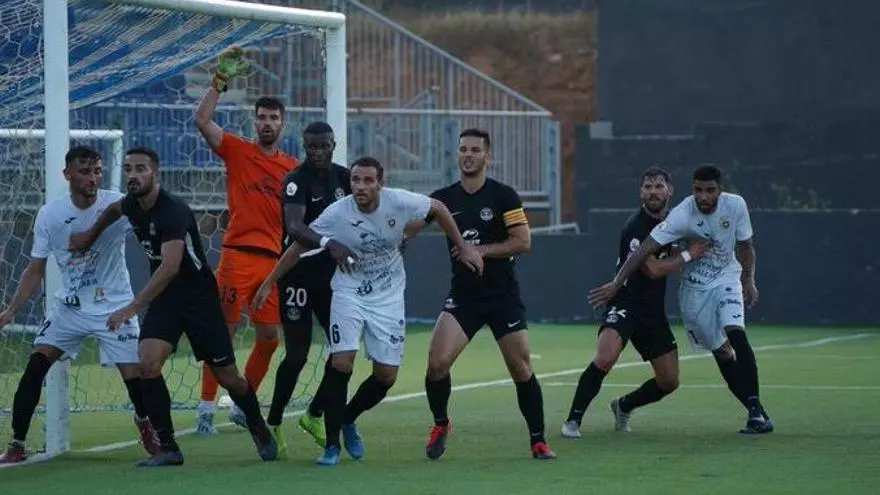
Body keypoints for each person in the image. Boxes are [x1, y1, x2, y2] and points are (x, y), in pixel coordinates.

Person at [252, 156, 483, 466]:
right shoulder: (337, 213)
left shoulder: (398, 201)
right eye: (356, 180)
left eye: (368, 181)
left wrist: (463, 247)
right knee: (341, 362)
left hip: (388, 296)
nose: (360, 186)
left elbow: (439, 208)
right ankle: (331, 446)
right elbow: (298, 247)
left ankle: (348, 418)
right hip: (348, 293)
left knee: (386, 376)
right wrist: (269, 282)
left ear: (380, 183)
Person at [69, 147, 278, 466]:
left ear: (156, 174)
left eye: (141, 169)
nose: (133, 175)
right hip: (166, 300)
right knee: (147, 364)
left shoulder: (173, 211)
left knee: (228, 376)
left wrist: (132, 306)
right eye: (128, 169)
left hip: (198, 300)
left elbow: (169, 267)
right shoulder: (131, 203)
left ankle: (257, 424)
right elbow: (113, 210)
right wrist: (89, 235)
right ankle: (168, 448)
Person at [588, 164, 773, 435]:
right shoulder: (682, 214)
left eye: (710, 190)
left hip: (727, 279)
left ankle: (755, 412)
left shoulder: (735, 205)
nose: (704, 196)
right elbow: (643, 251)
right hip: (695, 290)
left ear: (720, 190)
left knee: (736, 334)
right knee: (721, 351)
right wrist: (617, 282)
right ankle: (624, 405)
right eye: (699, 190)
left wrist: (749, 279)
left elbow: (746, 246)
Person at [0, 146, 158, 464]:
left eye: (97, 171)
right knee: (35, 367)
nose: (93, 178)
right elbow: (35, 269)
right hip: (69, 308)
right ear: (67, 174)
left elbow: (154, 216)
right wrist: (11, 309)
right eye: (85, 172)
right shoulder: (50, 214)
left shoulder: (117, 203)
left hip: (114, 306)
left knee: (135, 376)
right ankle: (16, 444)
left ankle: (146, 424)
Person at [419, 128, 556, 461]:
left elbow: (523, 241)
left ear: (487, 156)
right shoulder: (442, 199)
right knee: (437, 364)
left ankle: (538, 441)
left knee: (521, 367)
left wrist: (479, 250)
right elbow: (411, 225)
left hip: (502, 297)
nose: (468, 155)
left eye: (475, 150)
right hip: (463, 297)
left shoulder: (504, 196)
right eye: (463, 149)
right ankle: (441, 424)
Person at [561, 167, 710, 438]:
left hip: (652, 311)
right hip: (626, 302)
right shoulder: (636, 227)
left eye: (658, 186)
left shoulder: (676, 222)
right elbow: (651, 269)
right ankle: (573, 421)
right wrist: (689, 255)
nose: (653, 192)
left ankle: (624, 405)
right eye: (648, 187)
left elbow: (688, 241)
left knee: (669, 381)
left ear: (669, 190)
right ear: (641, 192)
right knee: (605, 357)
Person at [193, 46, 297, 433]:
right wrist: (219, 81)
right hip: (237, 256)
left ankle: (243, 401)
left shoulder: (292, 168)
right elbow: (202, 120)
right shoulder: (238, 151)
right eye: (262, 117)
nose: (267, 123)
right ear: (255, 122)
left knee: (269, 338)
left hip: (272, 263)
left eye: (273, 118)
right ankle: (206, 408)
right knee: (225, 333)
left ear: (283, 124)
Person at [265, 121, 351, 457]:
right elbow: (295, 227)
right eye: (311, 146)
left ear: (333, 145)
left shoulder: (345, 178)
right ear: (304, 146)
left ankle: (314, 413)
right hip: (297, 277)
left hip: (333, 279)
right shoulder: (296, 181)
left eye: (323, 146)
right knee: (297, 355)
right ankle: (274, 421)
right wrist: (329, 242)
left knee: (342, 351)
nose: (317, 152)